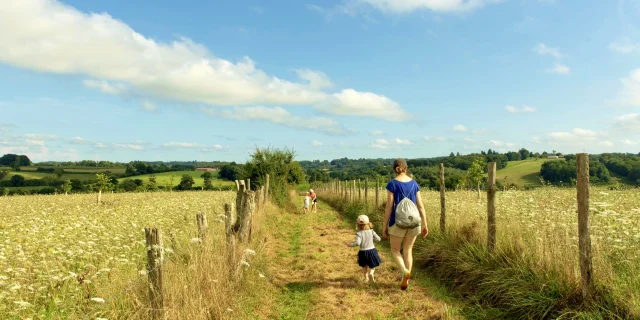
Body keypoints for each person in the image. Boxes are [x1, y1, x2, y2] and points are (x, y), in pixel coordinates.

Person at [383, 158, 428, 290]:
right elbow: (420, 206)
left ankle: (404, 271)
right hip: (414, 222)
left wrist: (384, 225)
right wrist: (424, 224)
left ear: (394, 169)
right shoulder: (414, 184)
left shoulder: (392, 184)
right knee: (408, 250)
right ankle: (406, 279)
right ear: (406, 168)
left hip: (397, 223)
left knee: (395, 250)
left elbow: (389, 206)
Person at [346, 214, 382, 283]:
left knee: (364, 266)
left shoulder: (359, 233)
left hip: (363, 252)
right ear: (368, 223)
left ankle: (366, 278)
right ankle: (371, 273)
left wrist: (350, 244)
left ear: (358, 225)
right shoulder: (371, 231)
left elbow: (358, 243)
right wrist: (373, 239)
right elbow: (379, 239)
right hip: (372, 251)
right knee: (372, 265)